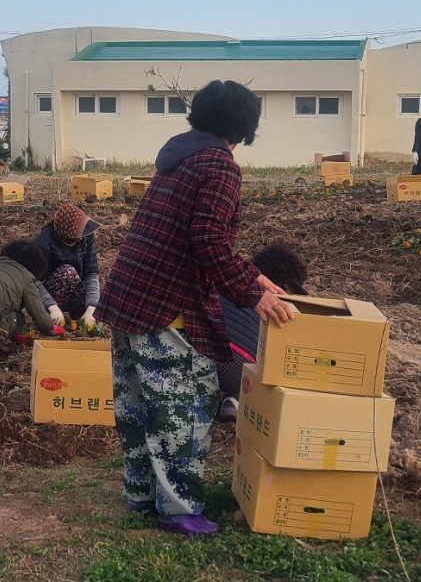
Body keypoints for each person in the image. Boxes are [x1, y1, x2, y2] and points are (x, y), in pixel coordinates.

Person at [95, 79, 296, 536]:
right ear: (245, 126)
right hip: (166, 304)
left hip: (129, 295)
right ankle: (179, 508)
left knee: (136, 405)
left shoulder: (179, 158)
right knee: (183, 405)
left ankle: (143, 497)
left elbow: (202, 234)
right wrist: (254, 294)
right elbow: (207, 239)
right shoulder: (219, 165)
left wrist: (254, 273)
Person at [215, 243, 308, 422]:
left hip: (202, 353)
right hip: (238, 369)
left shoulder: (229, 277)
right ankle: (235, 399)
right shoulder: (276, 304)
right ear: (287, 286)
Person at [33, 202, 101, 330]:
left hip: (74, 288)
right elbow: (33, 281)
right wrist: (52, 306)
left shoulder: (86, 236)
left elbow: (91, 273)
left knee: (97, 295)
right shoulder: (43, 243)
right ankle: (53, 315)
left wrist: (91, 309)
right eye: (76, 237)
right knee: (68, 272)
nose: (80, 239)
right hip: (50, 294)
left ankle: (79, 314)